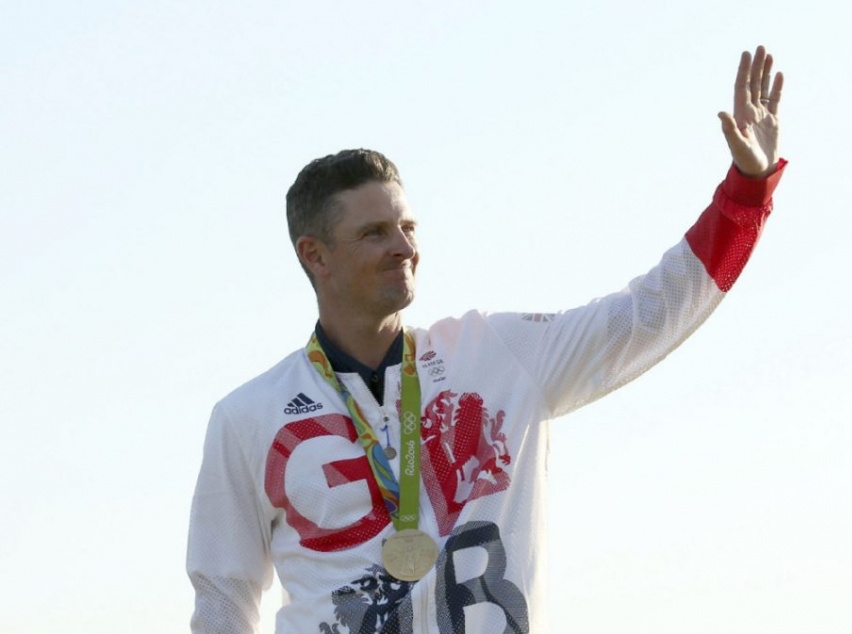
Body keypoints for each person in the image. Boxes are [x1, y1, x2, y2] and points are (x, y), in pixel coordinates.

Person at [187, 45, 788, 634]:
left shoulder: (497, 356)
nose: (404, 247)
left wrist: (747, 191)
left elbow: (649, 315)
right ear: (314, 255)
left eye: (408, 226)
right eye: (374, 233)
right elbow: (222, 605)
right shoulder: (248, 417)